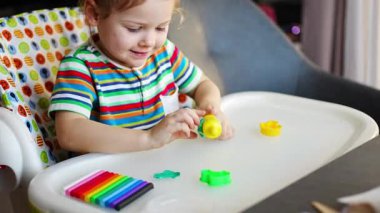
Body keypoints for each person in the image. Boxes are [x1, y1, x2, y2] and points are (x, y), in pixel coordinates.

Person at [49, 0, 234, 154]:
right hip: (115, 176)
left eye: (161, 28)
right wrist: (148, 139)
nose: (150, 42)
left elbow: (203, 85)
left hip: (168, 163)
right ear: (94, 14)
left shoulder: (165, 53)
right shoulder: (80, 66)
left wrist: (211, 108)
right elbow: (69, 133)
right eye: (134, 28)